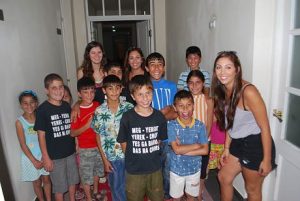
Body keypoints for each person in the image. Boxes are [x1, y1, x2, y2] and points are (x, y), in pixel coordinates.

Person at [211, 51, 276, 201]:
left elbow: (265, 128)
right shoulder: (223, 90)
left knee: (251, 190)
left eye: (228, 67)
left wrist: (266, 160)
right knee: (223, 177)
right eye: (218, 67)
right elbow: (230, 122)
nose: (222, 72)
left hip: (256, 145)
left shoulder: (249, 92)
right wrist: (226, 148)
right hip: (238, 142)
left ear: (237, 70)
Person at [117, 75, 167, 201]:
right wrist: (132, 158)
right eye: (140, 94)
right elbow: (123, 141)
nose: (145, 98)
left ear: (152, 93)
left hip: (155, 168)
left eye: (148, 93)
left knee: (157, 197)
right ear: (133, 96)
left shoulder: (159, 117)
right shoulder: (127, 117)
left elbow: (159, 140)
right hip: (134, 170)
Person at [34, 73, 79, 201]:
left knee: (72, 180)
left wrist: (76, 142)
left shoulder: (66, 106)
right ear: (46, 90)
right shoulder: (43, 110)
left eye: (61, 87)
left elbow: (71, 126)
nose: (59, 91)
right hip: (55, 156)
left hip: (70, 152)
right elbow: (41, 136)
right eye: (54, 88)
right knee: (59, 187)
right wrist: (46, 157)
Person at [92, 75, 134, 201]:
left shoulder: (129, 108)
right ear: (104, 90)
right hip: (111, 157)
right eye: (110, 88)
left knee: (131, 186)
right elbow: (98, 136)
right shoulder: (99, 111)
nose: (114, 91)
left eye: (117, 88)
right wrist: (105, 160)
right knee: (116, 187)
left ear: (121, 89)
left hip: (129, 155)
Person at [145, 52, 177, 200]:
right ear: (146, 68)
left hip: (168, 136)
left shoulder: (171, 86)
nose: (156, 68)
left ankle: (167, 195)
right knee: (152, 170)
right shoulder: (144, 87)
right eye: (152, 64)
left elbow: (175, 112)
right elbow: (144, 115)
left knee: (168, 170)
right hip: (150, 137)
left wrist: (157, 115)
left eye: (160, 64)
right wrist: (164, 112)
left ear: (164, 68)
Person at [168, 90, 208, 201]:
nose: (185, 109)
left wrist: (182, 150)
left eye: (188, 105)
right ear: (175, 108)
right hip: (176, 170)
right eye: (181, 106)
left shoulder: (200, 126)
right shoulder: (172, 125)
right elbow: (176, 150)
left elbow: (205, 150)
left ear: (193, 106)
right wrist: (196, 145)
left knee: (191, 196)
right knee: (176, 197)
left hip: (194, 170)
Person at [70, 77, 104, 201]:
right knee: (85, 175)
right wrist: (86, 125)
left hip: (99, 146)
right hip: (85, 149)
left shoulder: (97, 105)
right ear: (79, 93)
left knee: (97, 171)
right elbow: (73, 133)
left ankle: (95, 191)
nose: (89, 95)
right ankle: (89, 198)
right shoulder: (76, 112)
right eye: (85, 92)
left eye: (92, 91)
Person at [16, 90, 51, 201]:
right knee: (36, 182)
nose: (29, 105)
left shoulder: (41, 117)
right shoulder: (19, 122)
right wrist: (34, 161)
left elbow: (47, 138)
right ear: (21, 105)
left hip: (43, 155)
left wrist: (45, 156)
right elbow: (23, 144)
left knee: (46, 180)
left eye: (31, 102)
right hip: (30, 158)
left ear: (36, 103)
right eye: (25, 103)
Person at [186, 70, 213, 200]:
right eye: (191, 83)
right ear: (187, 84)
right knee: (189, 169)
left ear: (203, 84)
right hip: (188, 142)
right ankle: (188, 193)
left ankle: (200, 192)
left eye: (198, 83)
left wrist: (203, 142)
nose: (194, 86)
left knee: (202, 170)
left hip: (204, 141)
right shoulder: (185, 100)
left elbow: (208, 124)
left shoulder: (208, 100)